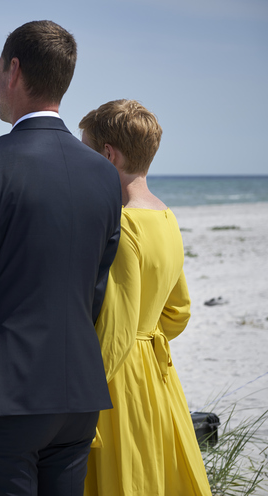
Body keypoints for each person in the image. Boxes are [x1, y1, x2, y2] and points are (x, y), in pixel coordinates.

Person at [0, 20, 122, 495]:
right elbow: (94, 288)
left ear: (13, 70)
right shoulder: (103, 174)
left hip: (0, 397)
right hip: (75, 396)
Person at [78, 100, 212, 496]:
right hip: (157, 373)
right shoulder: (166, 217)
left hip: (118, 381)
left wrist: (80, 396)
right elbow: (178, 312)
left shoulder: (123, 223)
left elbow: (116, 329)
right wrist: (146, 336)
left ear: (107, 155)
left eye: (84, 151)